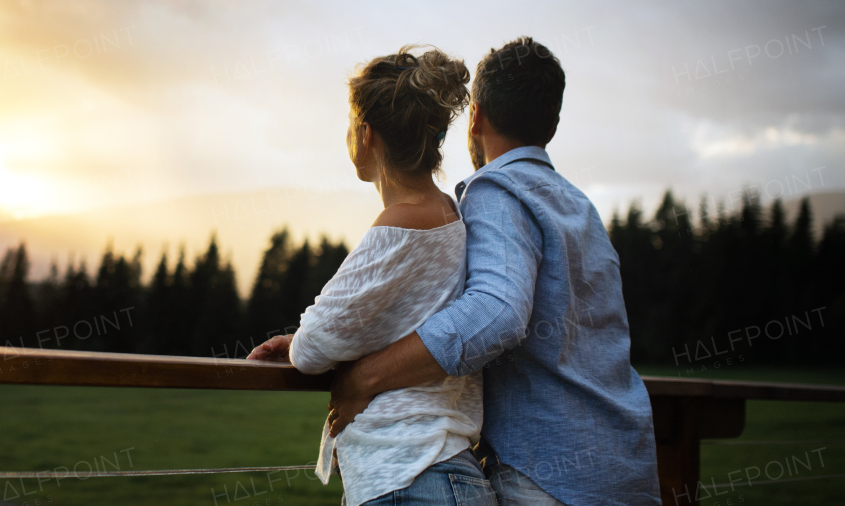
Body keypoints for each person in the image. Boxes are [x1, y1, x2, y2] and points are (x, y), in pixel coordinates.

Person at [321, 37, 661, 505]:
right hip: (626, 465)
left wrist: (365, 377)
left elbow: (497, 311)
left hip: (552, 475)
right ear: (552, 124)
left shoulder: (496, 191)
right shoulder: (578, 207)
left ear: (475, 117)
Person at [248, 45, 497, 506]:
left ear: (365, 135)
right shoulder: (448, 213)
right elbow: (388, 318)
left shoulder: (399, 225)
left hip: (409, 480)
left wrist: (299, 342)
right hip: (447, 473)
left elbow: (318, 342)